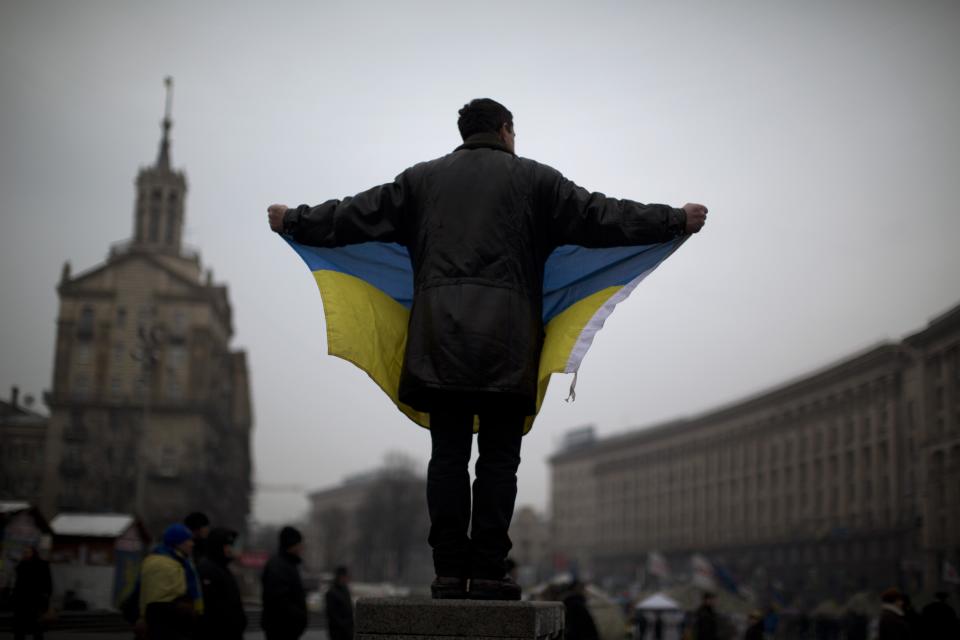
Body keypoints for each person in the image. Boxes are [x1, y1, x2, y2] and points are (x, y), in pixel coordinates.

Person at [267, 98, 707, 600]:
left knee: (448, 457)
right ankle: (491, 571)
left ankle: (449, 571)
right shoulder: (537, 180)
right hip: (507, 345)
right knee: (499, 461)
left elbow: (352, 216)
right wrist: (674, 218)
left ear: (464, 132)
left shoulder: (420, 180)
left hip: (438, 342)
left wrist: (295, 219)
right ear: (505, 130)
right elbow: (602, 216)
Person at [139, 523, 203, 640]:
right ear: (179, 543)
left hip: (152, 623)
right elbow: (186, 594)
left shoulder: (149, 560)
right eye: (188, 540)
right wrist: (196, 613)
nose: (192, 544)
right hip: (175, 626)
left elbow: (139, 591)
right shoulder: (177, 565)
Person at [197, 527, 247, 640]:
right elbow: (212, 608)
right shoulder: (208, 569)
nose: (230, 549)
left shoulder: (222, 568)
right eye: (227, 545)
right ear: (217, 546)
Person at [261, 526, 308, 640]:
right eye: (299, 543)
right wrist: (298, 617)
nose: (302, 547)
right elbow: (279, 600)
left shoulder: (288, 564)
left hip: (286, 629)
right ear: (292, 544)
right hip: (281, 629)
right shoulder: (278, 566)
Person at [12, 546, 52, 640]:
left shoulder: (42, 564)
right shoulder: (21, 564)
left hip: (36, 600)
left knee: (37, 626)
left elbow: (48, 582)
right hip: (21, 600)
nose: (26, 554)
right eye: (24, 552)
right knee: (19, 626)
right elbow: (18, 582)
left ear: (34, 553)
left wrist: (46, 597)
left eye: (28, 552)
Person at [325, 565, 354, 640]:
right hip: (338, 632)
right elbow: (332, 614)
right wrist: (345, 625)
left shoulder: (345, 590)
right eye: (345, 576)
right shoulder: (331, 593)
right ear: (340, 577)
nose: (346, 579)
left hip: (346, 630)